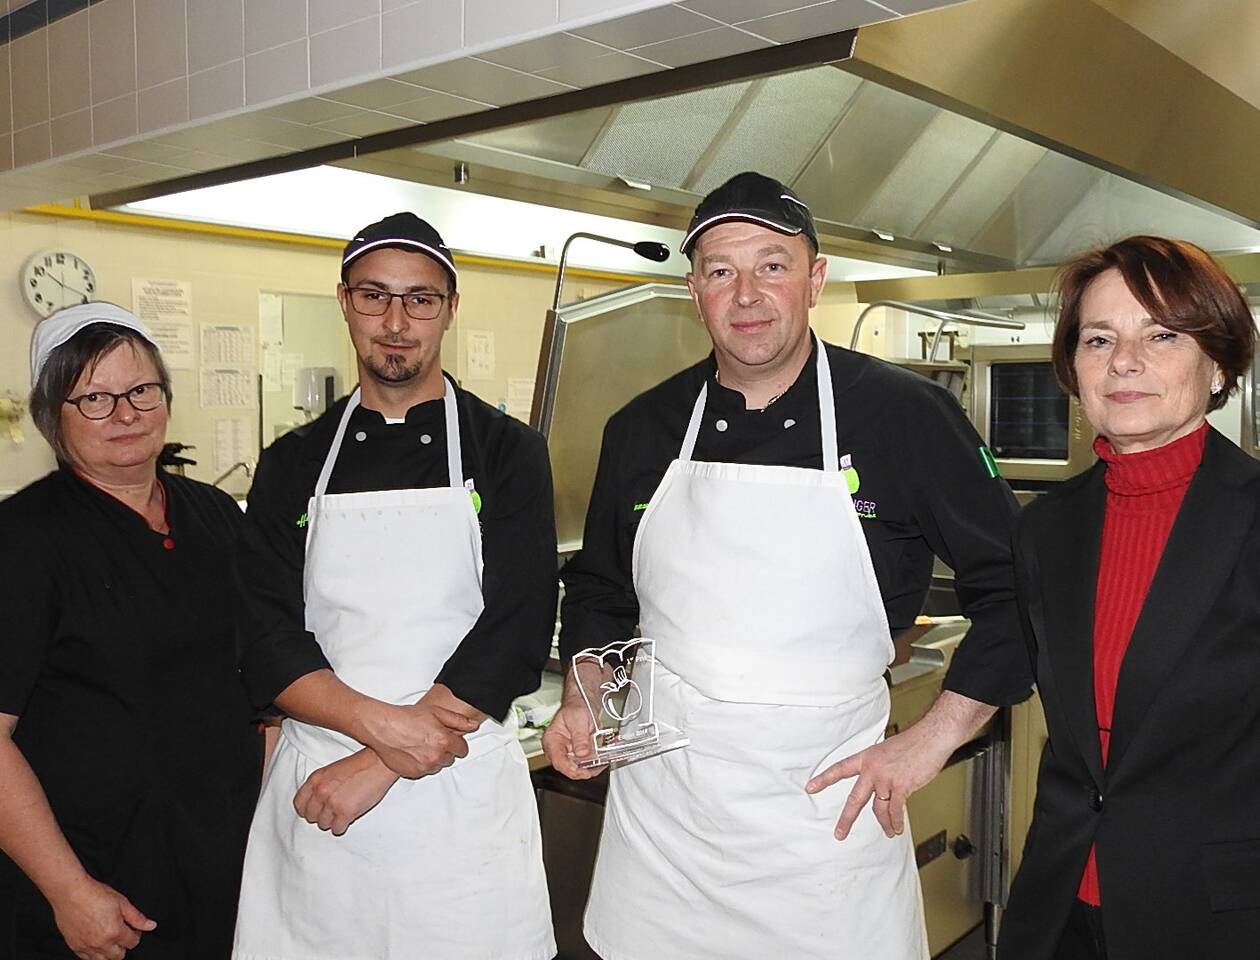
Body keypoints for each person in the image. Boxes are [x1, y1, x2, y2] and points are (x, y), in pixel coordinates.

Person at [542, 171, 1025, 959]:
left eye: (773, 264)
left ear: (815, 279)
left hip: (823, 824)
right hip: (666, 828)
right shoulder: (643, 427)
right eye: (721, 271)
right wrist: (586, 700)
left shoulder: (903, 416)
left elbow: (1016, 589)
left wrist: (932, 739)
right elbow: (600, 588)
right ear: (694, 289)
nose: (747, 295)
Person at [827, 235, 1260, 959]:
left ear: (1216, 363)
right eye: (1099, 338)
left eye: (1162, 335)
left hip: (1215, 915)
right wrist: (927, 740)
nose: (1125, 361)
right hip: (1060, 903)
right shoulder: (1051, 526)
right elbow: (1018, 650)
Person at [231, 212, 557, 960]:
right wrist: (383, 731)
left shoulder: (506, 451)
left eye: (420, 299)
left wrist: (381, 763)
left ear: (449, 308)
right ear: (344, 302)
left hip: (457, 791)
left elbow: (516, 629)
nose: (396, 322)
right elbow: (266, 634)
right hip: (320, 789)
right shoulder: (294, 462)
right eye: (375, 297)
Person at [0, 304, 262, 960]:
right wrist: (68, 891)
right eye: (93, 397)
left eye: (141, 390)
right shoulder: (24, 540)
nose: (125, 413)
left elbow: (259, 677)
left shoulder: (214, 515)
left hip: (220, 869)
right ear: (51, 417)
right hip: (94, 890)